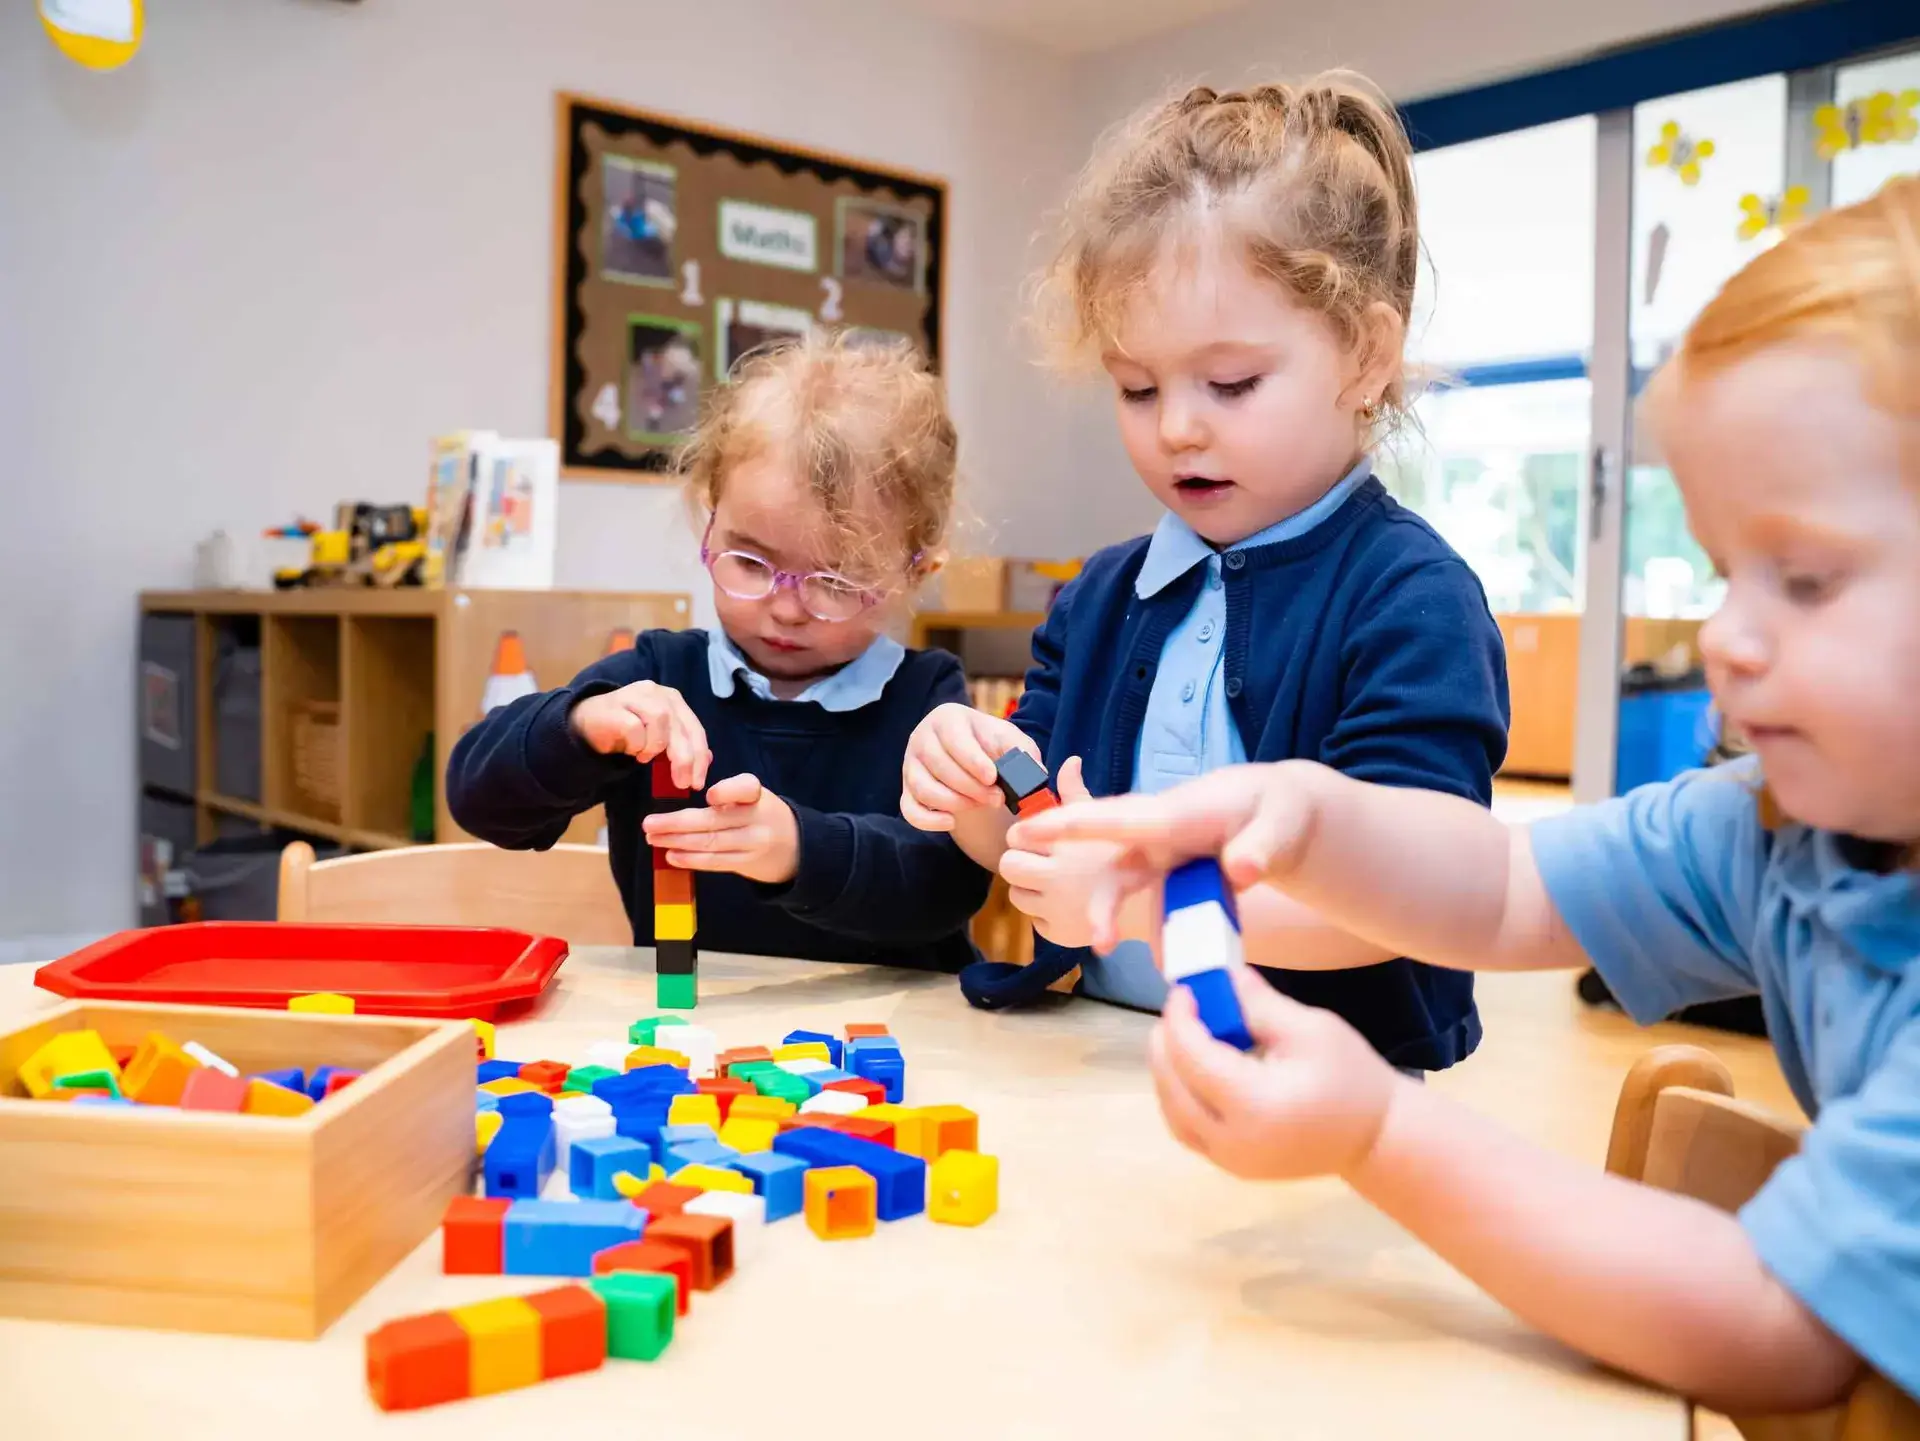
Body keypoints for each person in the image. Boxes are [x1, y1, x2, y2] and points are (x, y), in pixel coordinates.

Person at [1010, 180, 1920, 1410]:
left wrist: (1377, 1130)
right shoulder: (1780, 833)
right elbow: (1504, 883)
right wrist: (1298, 811)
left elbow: (1773, 1323)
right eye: (1720, 573)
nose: (1724, 639)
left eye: (1802, 580)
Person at [900, 75, 1508, 1073]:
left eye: (1230, 383)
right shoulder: (1101, 595)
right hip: (1110, 1056)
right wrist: (965, 775)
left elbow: (1406, 896)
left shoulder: (1413, 599)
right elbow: (1031, 830)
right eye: (1137, 386)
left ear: (1364, 355)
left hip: (1335, 1088)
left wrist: (1142, 897)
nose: (1177, 424)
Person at [448, 330, 990, 972]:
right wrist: (581, 727)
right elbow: (480, 800)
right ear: (709, 516)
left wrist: (797, 849)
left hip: (900, 1035)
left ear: (916, 572)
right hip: (693, 1027)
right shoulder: (658, 678)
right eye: (752, 562)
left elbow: (944, 887)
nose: (787, 607)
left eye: (839, 582)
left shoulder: (926, 700)